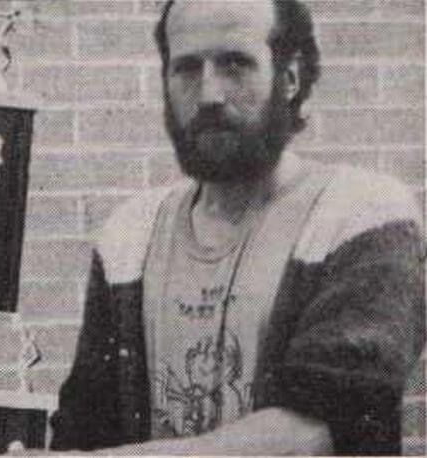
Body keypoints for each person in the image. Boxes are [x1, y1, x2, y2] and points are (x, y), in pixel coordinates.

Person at [49, 0, 425, 455]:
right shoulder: (130, 234)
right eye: (186, 68)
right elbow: (85, 430)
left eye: (235, 64)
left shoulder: (361, 215)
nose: (208, 94)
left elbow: (314, 434)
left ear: (288, 79)